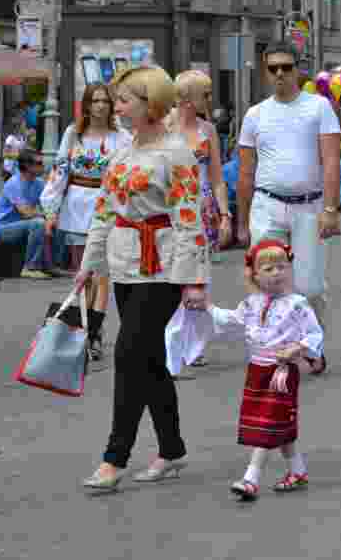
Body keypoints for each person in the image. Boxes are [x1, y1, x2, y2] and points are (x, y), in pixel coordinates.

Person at [76, 65, 209, 490]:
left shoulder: (177, 152)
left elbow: (190, 220)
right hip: (124, 263)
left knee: (128, 356)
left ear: (150, 105)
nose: (116, 107)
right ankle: (172, 449)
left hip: (165, 266)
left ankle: (114, 458)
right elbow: (104, 210)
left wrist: (193, 280)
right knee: (150, 362)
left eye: (124, 100)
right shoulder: (120, 151)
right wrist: (89, 264)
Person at [236, 43, 341, 375]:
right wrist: (241, 221)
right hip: (267, 204)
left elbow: (331, 161)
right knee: (264, 281)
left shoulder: (318, 107)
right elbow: (245, 172)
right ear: (266, 72)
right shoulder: (255, 114)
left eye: (286, 67)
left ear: (298, 69)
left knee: (309, 286)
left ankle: (312, 345)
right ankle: (270, 348)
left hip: (308, 207)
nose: (280, 74)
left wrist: (331, 207)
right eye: (273, 68)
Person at [199, 241, 324, 501]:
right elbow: (232, 321)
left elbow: (314, 333)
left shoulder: (297, 304)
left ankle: (251, 479)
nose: (277, 272)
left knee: (268, 423)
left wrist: (296, 349)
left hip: (281, 373)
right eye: (268, 268)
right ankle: (298, 471)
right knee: (278, 424)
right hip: (257, 370)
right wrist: (208, 307)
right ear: (254, 274)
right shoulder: (251, 303)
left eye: (282, 266)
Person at [41, 84, 132, 358]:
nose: (101, 106)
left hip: (108, 207)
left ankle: (93, 332)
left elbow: (130, 173)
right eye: (95, 101)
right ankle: (84, 327)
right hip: (76, 207)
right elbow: (59, 172)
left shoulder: (122, 137)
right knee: (84, 275)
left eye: (105, 101)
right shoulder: (73, 133)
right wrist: (51, 210)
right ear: (87, 105)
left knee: (102, 274)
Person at [173, 71, 231, 260]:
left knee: (199, 276)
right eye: (205, 94)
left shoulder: (208, 129)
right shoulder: (163, 126)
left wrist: (224, 216)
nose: (210, 99)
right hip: (170, 208)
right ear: (188, 98)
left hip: (203, 209)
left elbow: (217, 178)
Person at [0, 148, 67, 279]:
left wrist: (52, 217)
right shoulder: (13, 184)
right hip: (3, 229)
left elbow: (48, 206)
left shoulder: (39, 183)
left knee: (58, 223)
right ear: (26, 165)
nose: (43, 166)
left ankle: (53, 266)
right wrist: (46, 217)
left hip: (24, 225)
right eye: (39, 163)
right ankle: (30, 267)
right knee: (39, 224)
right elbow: (25, 212)